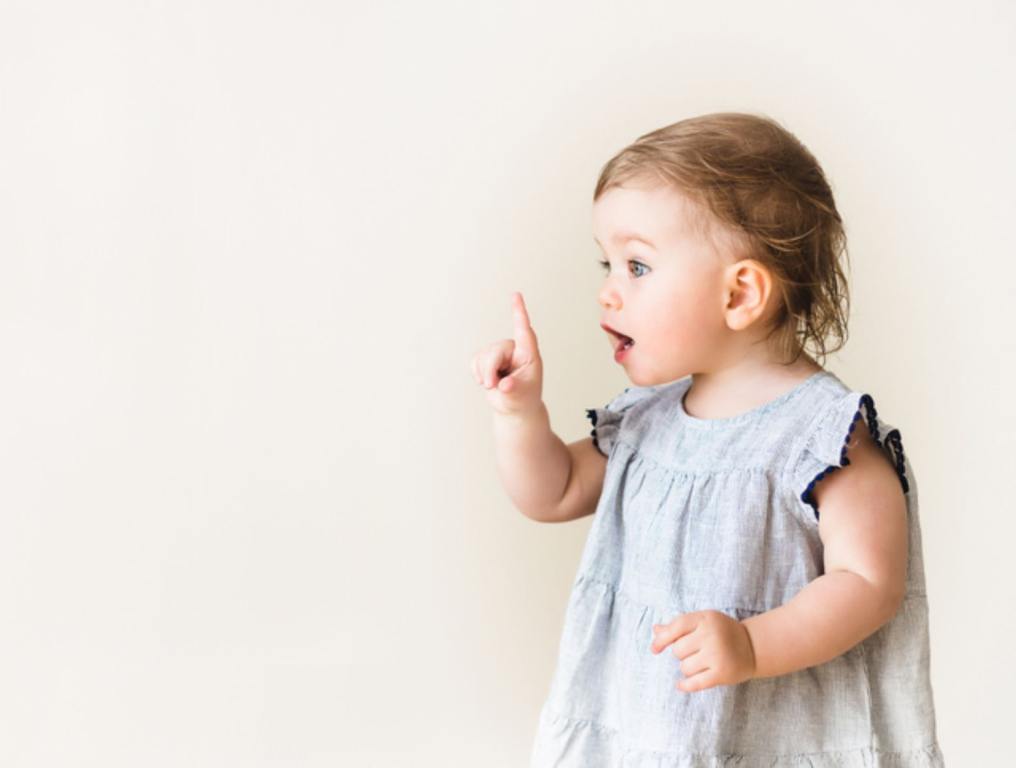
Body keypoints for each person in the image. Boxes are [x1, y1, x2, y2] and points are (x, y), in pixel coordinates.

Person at [470, 112, 944, 766]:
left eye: (636, 266)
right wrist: (519, 414)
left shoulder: (824, 438)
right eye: (607, 263)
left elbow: (869, 583)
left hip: (767, 739)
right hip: (649, 730)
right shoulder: (649, 418)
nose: (608, 293)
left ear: (741, 293)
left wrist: (753, 645)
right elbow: (553, 492)